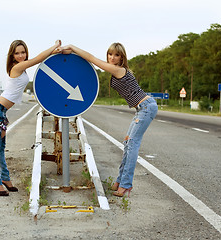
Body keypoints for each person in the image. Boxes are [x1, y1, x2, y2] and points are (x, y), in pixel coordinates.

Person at [62, 43, 158, 197]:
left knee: (132, 144)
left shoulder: (118, 70)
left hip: (146, 107)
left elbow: (92, 59)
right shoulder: (116, 71)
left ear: (122, 57)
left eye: (116, 55)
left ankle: (126, 185)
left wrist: (73, 48)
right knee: (128, 143)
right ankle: (120, 182)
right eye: (110, 54)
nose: (112, 58)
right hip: (142, 108)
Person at [0, 39, 62, 196]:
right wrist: (54, 46)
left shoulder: (22, 68)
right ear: (12, 55)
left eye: (23, 52)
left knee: (0, 147)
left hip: (1, 111)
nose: (21, 55)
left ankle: (5, 179)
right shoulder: (18, 67)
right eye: (17, 53)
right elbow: (38, 59)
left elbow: (39, 59)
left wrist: (53, 53)